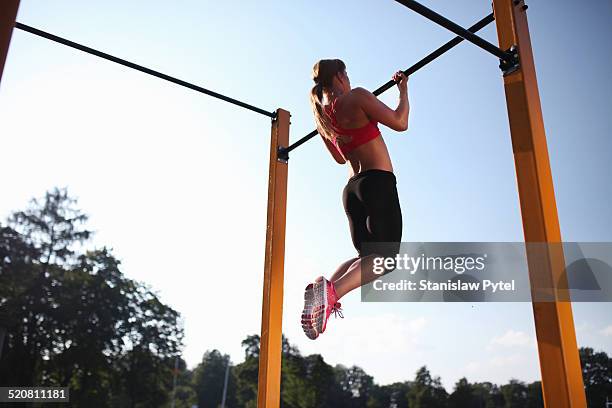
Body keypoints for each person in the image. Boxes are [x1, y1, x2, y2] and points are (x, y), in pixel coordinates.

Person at [301, 59, 410, 340]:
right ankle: (333, 291)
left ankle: (327, 290)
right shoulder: (357, 96)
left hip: (352, 190)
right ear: (339, 76)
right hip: (377, 182)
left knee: (367, 259)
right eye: (346, 74)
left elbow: (340, 158)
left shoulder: (322, 116)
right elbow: (400, 122)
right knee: (385, 260)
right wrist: (403, 91)